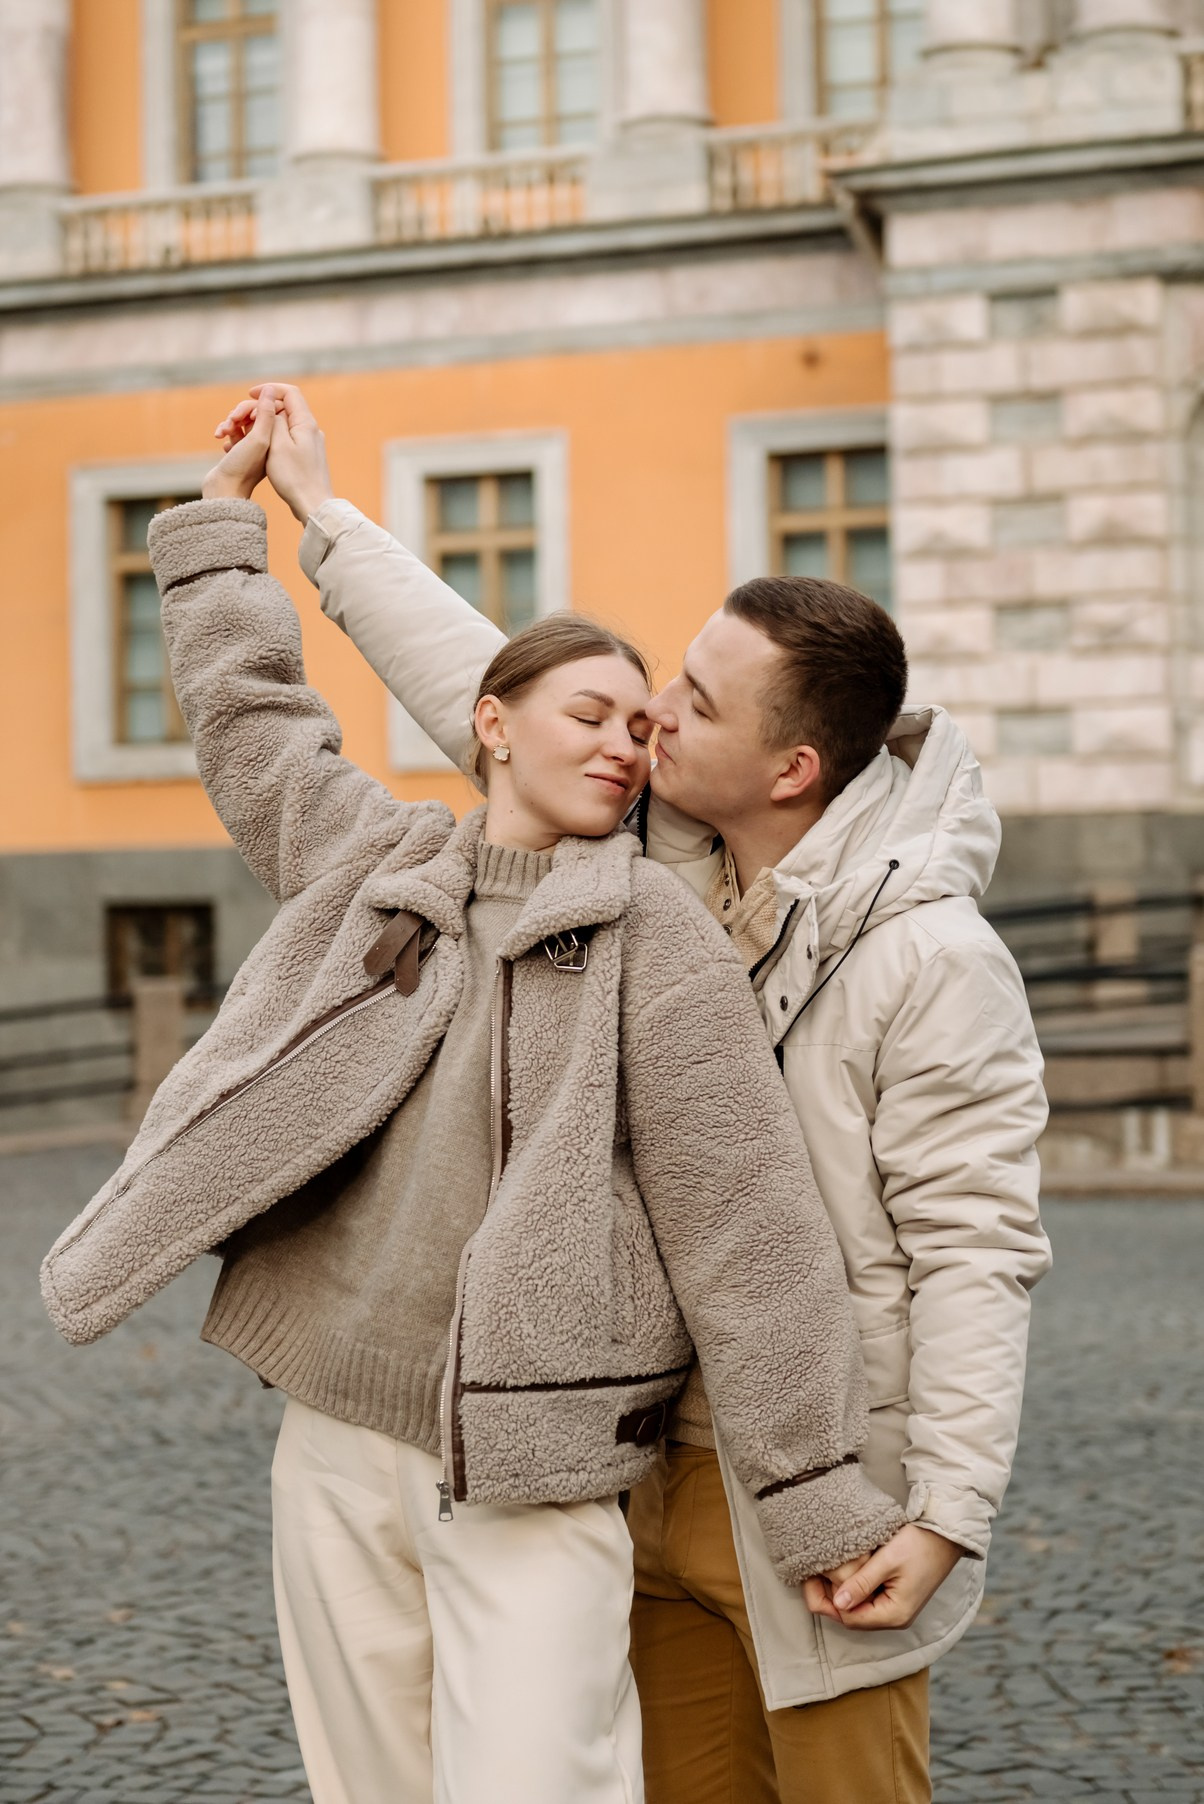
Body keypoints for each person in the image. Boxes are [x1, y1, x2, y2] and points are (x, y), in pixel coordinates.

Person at [41, 389, 907, 1804]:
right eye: (591, 714)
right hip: (334, 1430)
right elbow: (256, 727)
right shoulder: (376, 866)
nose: (626, 745)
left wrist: (814, 1495)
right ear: (491, 726)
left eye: (645, 726)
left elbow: (748, 1233)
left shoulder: (659, 941)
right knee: (370, 1784)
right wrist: (221, 526)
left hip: (535, 1463)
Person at [221, 382, 1054, 1804]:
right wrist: (321, 511)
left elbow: (978, 1248)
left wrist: (947, 1512)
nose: (652, 716)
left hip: (823, 1486)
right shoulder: (650, 850)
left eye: (695, 703)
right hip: (632, 1458)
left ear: (791, 768)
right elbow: (496, 692)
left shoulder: (932, 960)